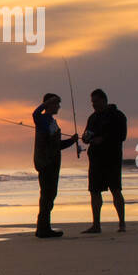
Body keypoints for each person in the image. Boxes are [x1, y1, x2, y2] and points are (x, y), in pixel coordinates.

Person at [32, 93, 79, 238]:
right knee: (47, 195)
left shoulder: (51, 121)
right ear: (49, 104)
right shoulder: (42, 119)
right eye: (56, 103)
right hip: (45, 162)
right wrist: (46, 104)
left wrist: (72, 141)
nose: (58, 106)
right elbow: (35, 114)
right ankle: (42, 229)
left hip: (53, 162)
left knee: (50, 195)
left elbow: (57, 145)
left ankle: (44, 227)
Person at [81, 88, 127, 233]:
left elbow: (122, 135)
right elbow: (87, 135)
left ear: (104, 100)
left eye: (96, 102)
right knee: (94, 191)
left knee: (115, 190)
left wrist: (104, 138)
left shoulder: (118, 115)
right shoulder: (92, 118)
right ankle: (96, 224)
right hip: (95, 159)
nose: (93, 105)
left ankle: (122, 224)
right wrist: (86, 138)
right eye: (92, 102)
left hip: (112, 158)